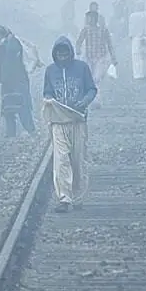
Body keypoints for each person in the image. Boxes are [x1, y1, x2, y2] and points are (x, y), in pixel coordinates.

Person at [42, 37, 97, 213]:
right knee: (61, 160)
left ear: (71, 53)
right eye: (59, 53)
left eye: (65, 53)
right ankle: (64, 198)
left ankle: (78, 196)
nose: (63, 56)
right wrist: (49, 99)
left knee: (78, 160)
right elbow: (47, 91)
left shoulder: (82, 68)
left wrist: (84, 102)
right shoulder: (50, 71)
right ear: (55, 54)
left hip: (78, 120)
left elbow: (92, 89)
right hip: (58, 122)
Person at [0, 26, 36, 138]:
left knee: (17, 106)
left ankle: (25, 131)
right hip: (13, 80)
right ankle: (19, 132)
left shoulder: (11, 43)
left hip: (14, 81)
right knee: (15, 106)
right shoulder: (11, 43)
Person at [75, 10, 117, 108]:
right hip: (89, 57)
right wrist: (78, 50)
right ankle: (91, 99)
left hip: (100, 58)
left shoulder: (103, 30)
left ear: (95, 19)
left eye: (90, 18)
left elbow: (109, 44)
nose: (89, 20)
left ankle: (96, 99)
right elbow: (79, 41)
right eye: (88, 18)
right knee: (90, 79)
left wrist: (113, 58)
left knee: (96, 79)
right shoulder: (85, 29)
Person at [128, 0, 146, 80]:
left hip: (136, 39)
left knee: (136, 57)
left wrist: (131, 36)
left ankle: (138, 75)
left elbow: (131, 29)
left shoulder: (132, 16)